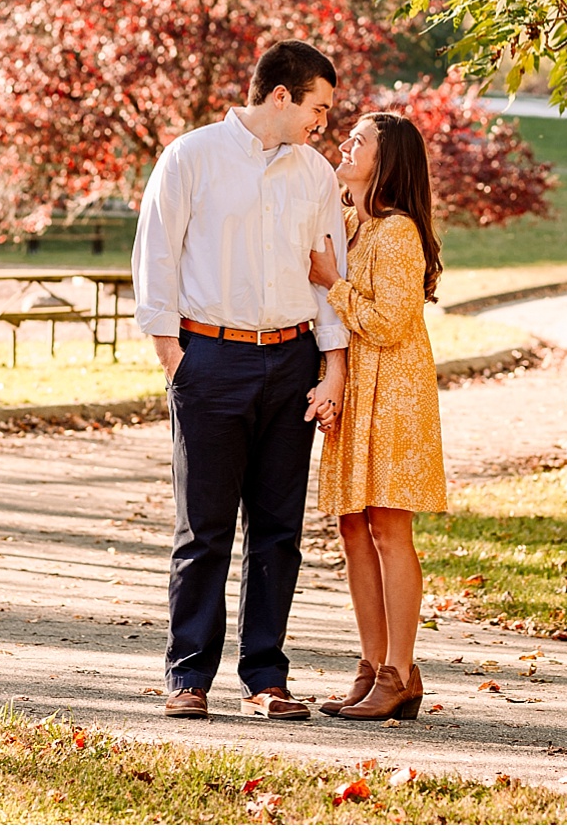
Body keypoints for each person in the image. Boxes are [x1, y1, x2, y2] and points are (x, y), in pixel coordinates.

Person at [131, 39, 350, 721]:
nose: (324, 123)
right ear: (280, 96)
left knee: (279, 529)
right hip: (210, 360)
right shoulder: (190, 158)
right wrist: (175, 356)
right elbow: (157, 257)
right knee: (204, 528)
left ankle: (266, 677)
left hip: (291, 362)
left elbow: (328, 277)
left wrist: (333, 364)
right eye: (317, 107)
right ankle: (188, 677)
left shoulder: (313, 174)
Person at [308, 112, 447, 721]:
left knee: (389, 529)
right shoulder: (347, 226)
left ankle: (400, 669)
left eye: (359, 140)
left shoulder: (398, 234)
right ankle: (373, 668)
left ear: (386, 161)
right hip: (355, 389)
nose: (345, 142)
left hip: (393, 393)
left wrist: (335, 284)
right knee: (350, 528)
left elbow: (389, 323)